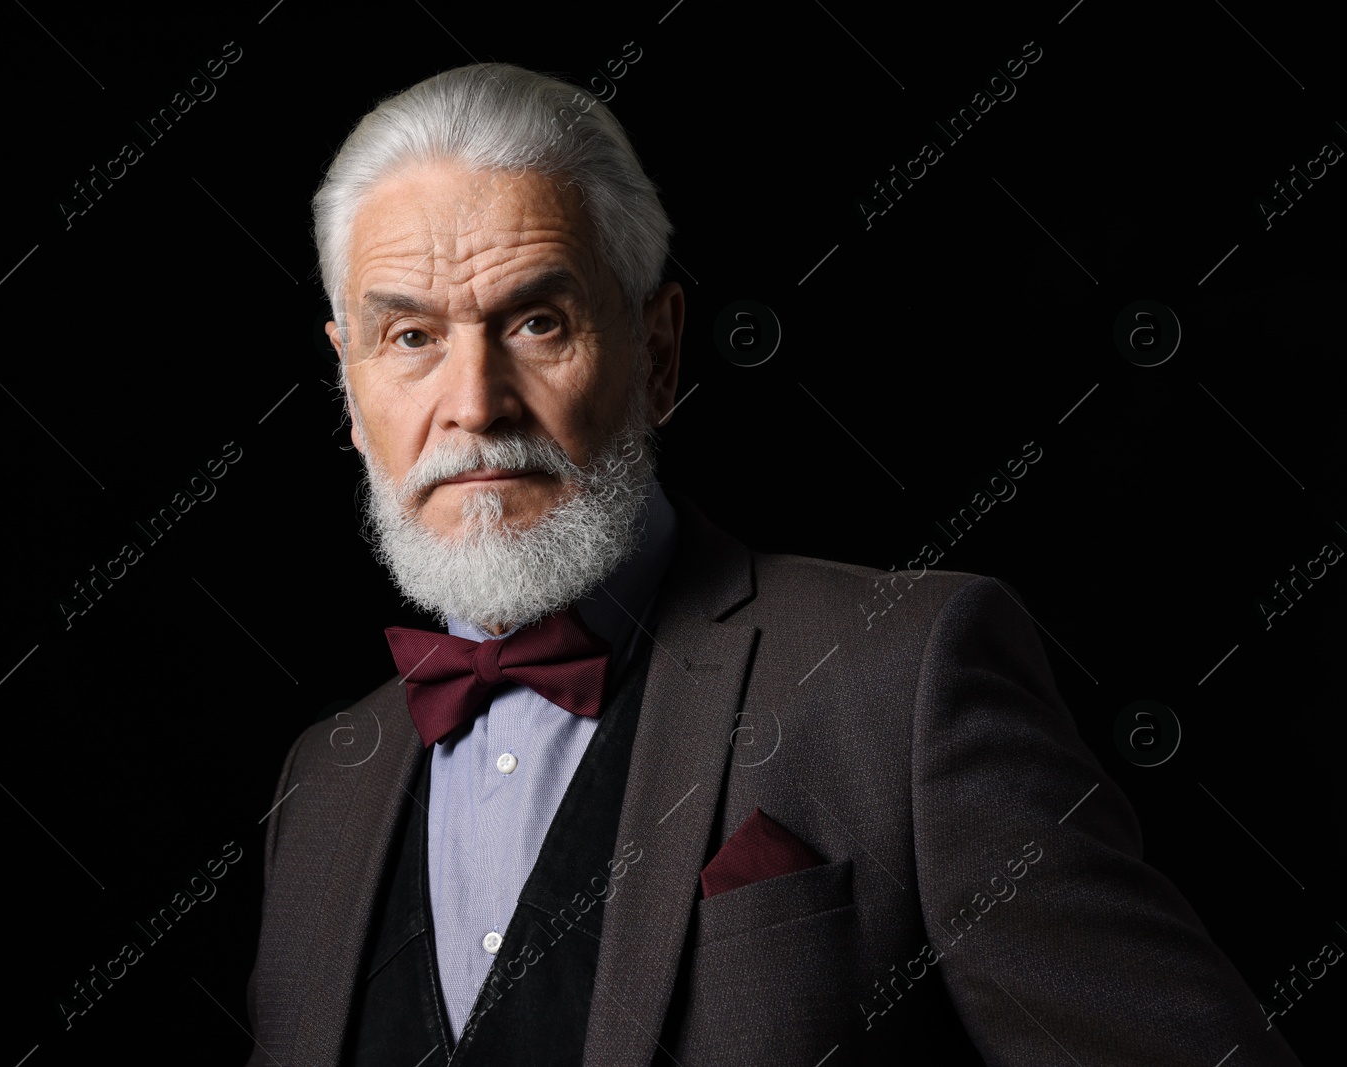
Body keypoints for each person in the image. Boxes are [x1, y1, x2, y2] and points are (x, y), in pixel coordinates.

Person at [242, 63, 1300, 1066]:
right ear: (348, 381)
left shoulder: (903, 676)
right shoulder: (322, 783)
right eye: (411, 337)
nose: (474, 402)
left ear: (656, 353)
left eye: (535, 320)